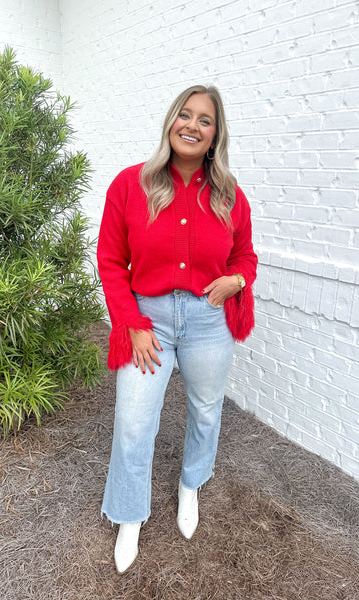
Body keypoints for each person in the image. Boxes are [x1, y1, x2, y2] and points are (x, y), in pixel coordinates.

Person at [97, 84, 257, 574]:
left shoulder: (229, 194)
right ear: (171, 123)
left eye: (204, 120)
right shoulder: (131, 185)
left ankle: (191, 484)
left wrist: (235, 280)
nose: (192, 125)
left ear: (215, 136)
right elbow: (109, 260)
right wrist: (132, 323)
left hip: (209, 321)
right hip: (149, 323)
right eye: (184, 115)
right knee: (133, 421)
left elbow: (245, 257)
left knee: (206, 411)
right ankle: (129, 516)